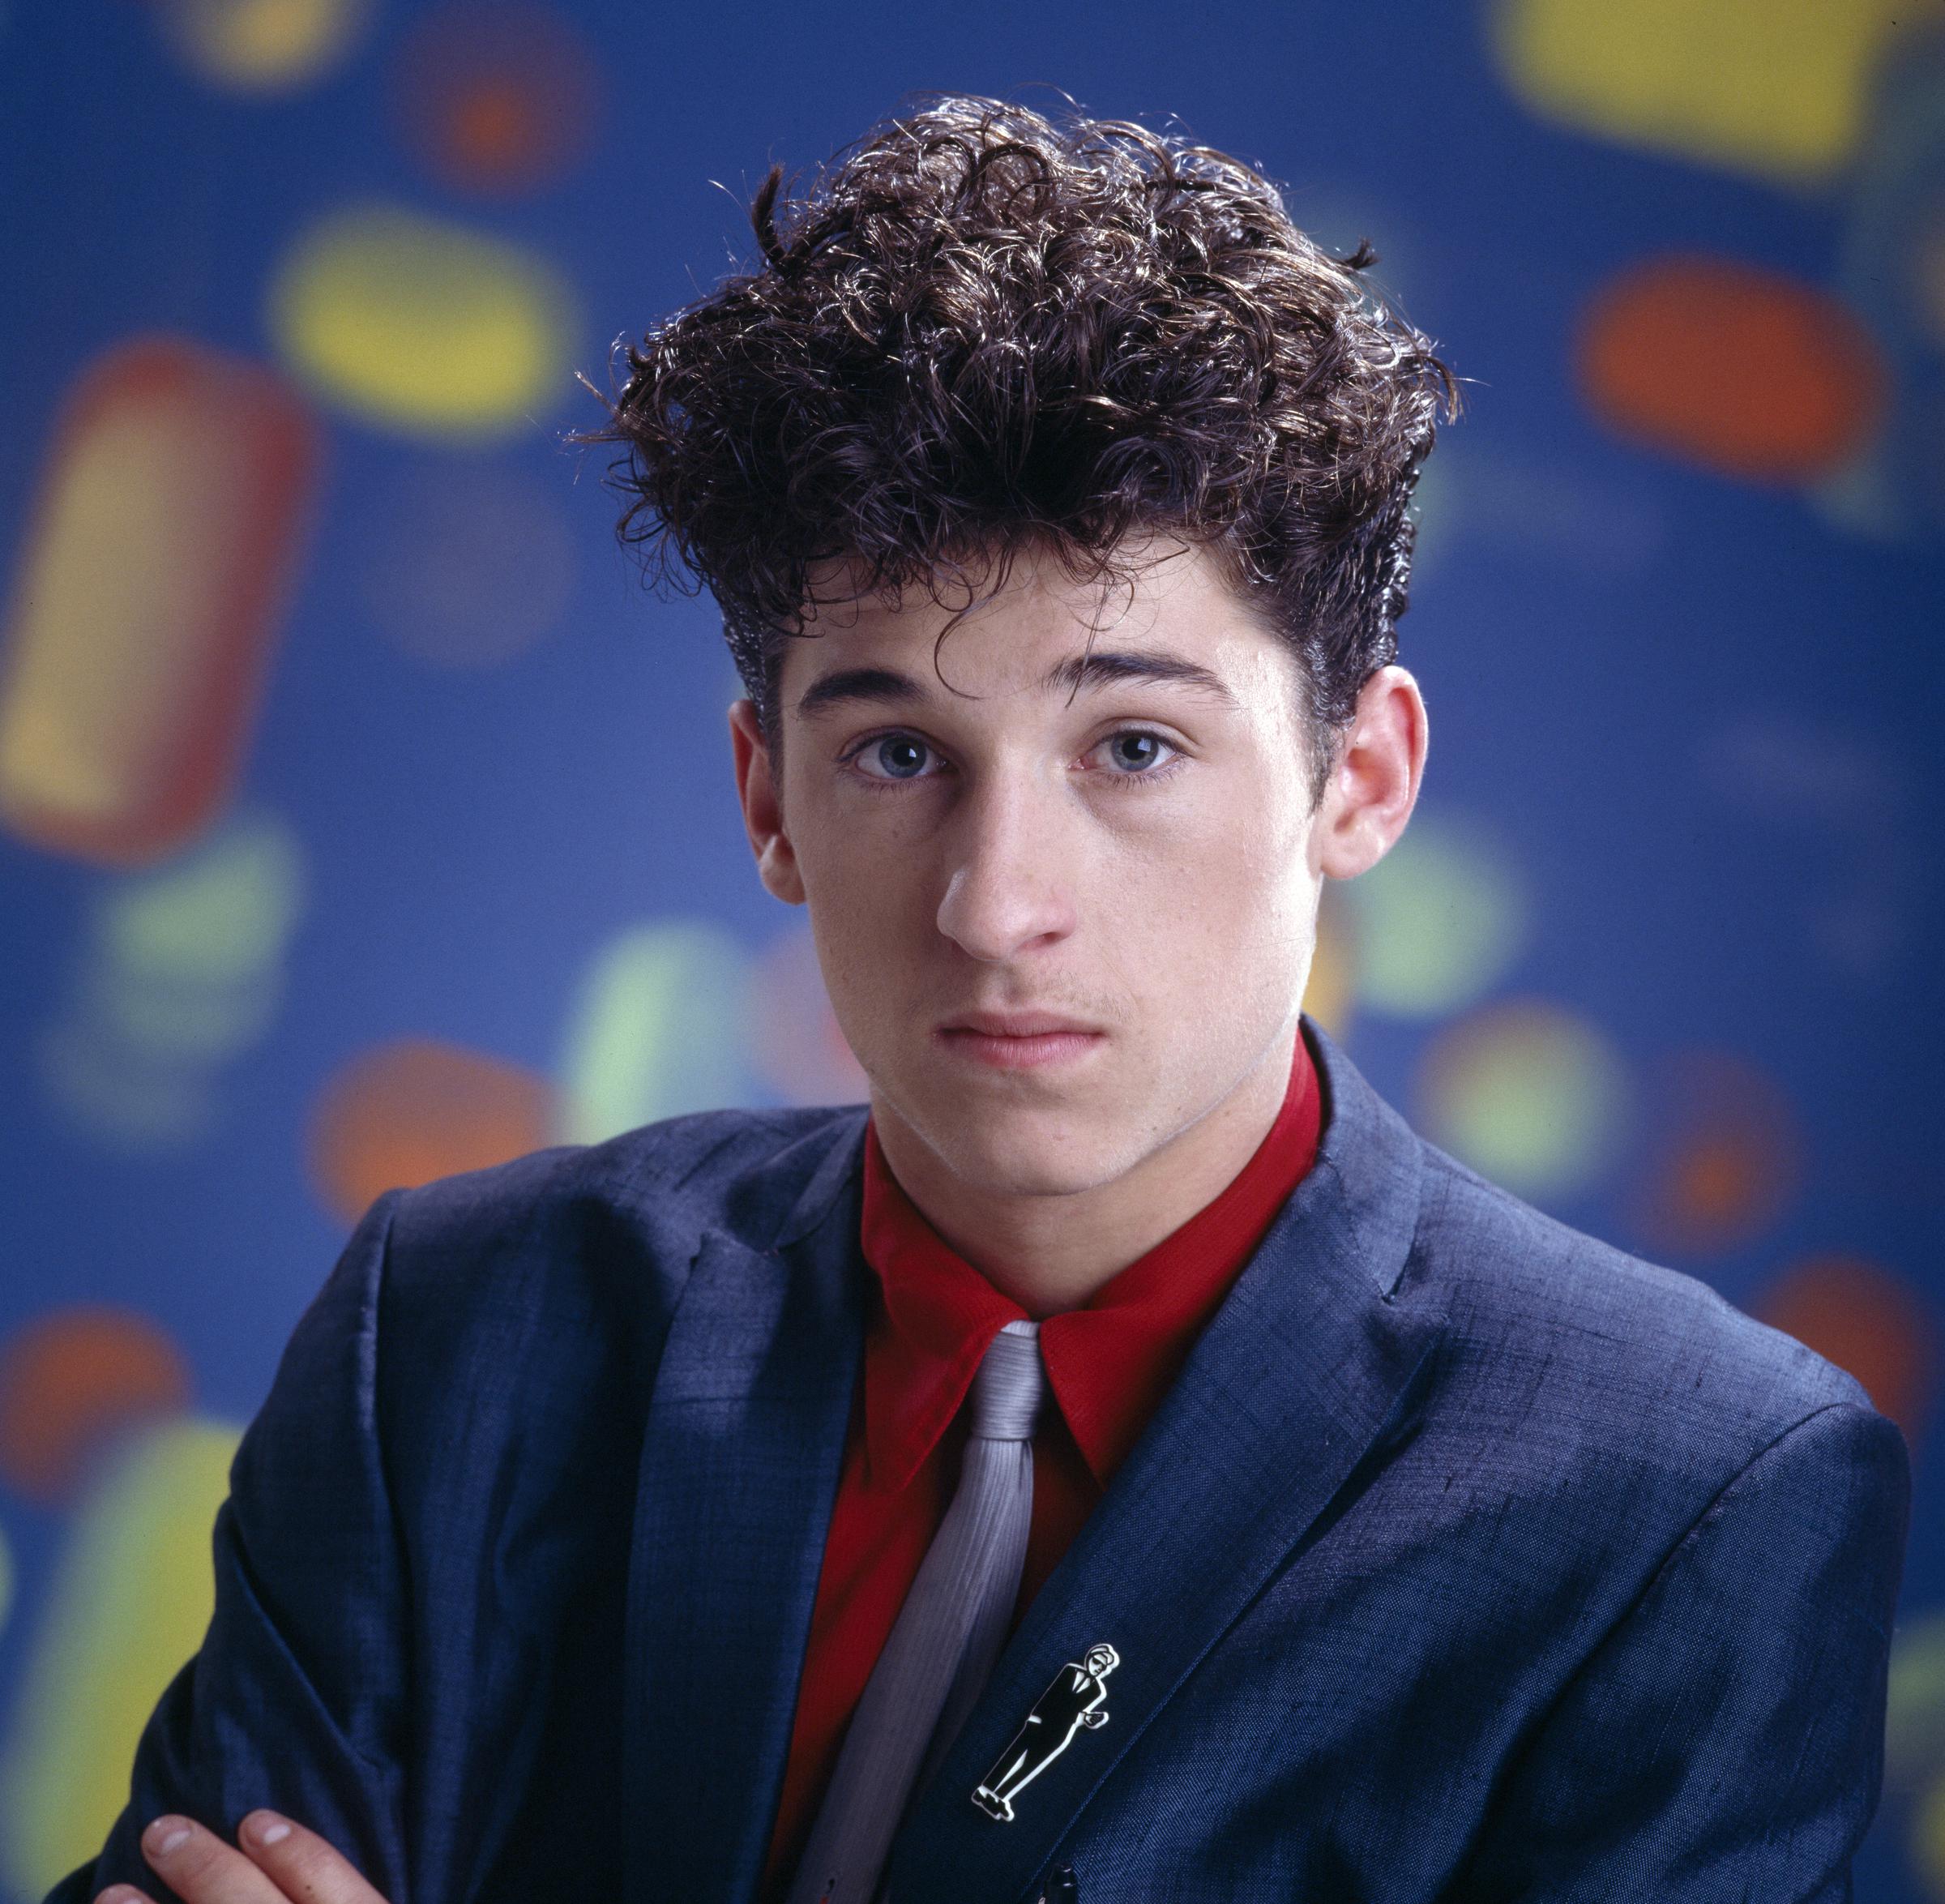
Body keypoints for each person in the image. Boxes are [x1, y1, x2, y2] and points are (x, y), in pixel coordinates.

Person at [61, 94, 1908, 1904]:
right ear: (766, 799)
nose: (996, 901)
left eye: (1132, 742)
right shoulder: (461, 1331)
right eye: (893, 753)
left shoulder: (1691, 1498)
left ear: (1361, 778)